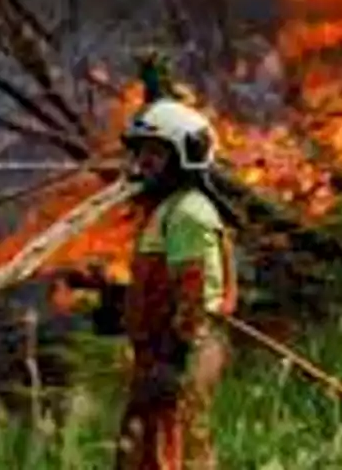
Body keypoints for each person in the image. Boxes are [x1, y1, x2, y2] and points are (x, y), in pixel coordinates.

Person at [116, 99, 239, 470]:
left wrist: (172, 362)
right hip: (157, 356)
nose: (143, 163)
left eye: (155, 153)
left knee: (165, 456)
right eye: (142, 152)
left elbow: (194, 292)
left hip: (178, 355)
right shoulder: (169, 209)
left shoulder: (188, 211)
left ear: (186, 154)